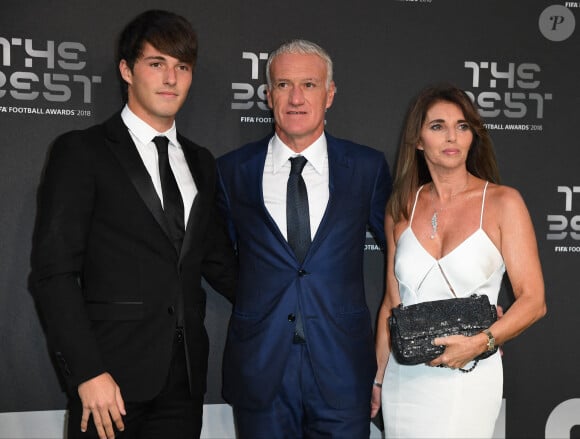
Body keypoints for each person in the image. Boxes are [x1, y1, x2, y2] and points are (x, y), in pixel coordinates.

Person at [29, 10, 237, 439]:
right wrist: (87, 373)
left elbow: (217, 262)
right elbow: (54, 274)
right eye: (156, 63)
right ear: (127, 70)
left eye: (182, 67)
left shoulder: (201, 161)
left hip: (185, 381)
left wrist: (296, 290)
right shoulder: (82, 151)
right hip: (109, 384)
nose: (171, 79)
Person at [216, 39, 392, 438]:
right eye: (284, 85)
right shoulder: (232, 171)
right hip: (261, 365)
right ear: (268, 95)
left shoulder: (366, 167)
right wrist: (257, 297)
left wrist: (468, 319)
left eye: (309, 85)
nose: (296, 98)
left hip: (343, 367)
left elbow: (407, 256)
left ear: (329, 95)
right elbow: (215, 257)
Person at [370, 84, 546, 438]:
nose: (452, 136)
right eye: (437, 126)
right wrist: (379, 378)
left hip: (470, 375)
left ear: (472, 136)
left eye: (462, 126)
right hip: (404, 380)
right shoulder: (400, 208)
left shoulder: (502, 203)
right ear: (418, 140)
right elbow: (392, 305)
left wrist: (481, 343)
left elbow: (534, 301)